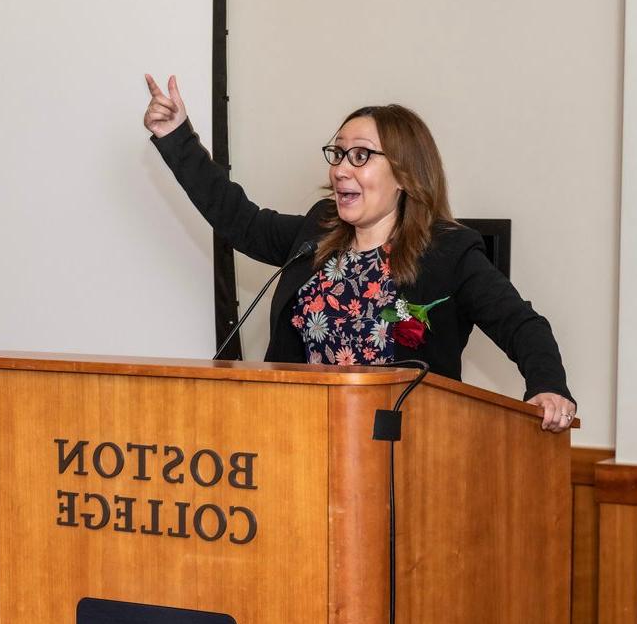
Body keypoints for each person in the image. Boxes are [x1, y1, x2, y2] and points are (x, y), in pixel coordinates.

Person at [144, 74, 576, 432]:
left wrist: (549, 387)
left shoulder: (448, 252)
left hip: (402, 455)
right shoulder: (317, 232)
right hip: (296, 436)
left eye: (361, 155)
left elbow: (523, 325)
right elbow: (239, 219)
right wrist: (177, 137)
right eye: (338, 153)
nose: (340, 169)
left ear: (405, 174)